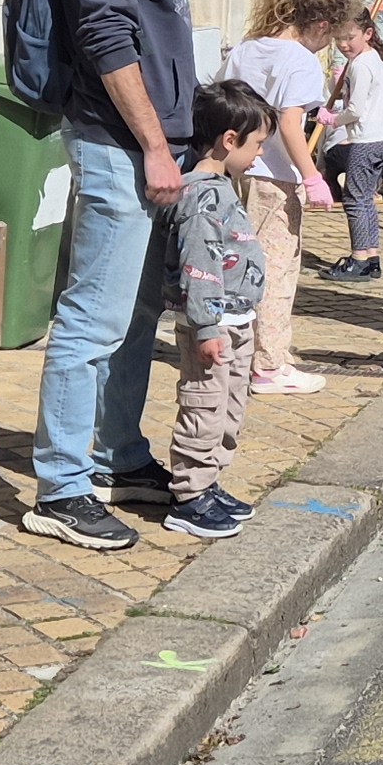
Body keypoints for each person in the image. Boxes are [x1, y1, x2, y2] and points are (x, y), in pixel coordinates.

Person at [24, 0, 214, 550]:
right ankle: (61, 489)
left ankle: (118, 456)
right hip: (118, 142)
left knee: (135, 315)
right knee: (92, 319)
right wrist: (151, 146)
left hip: (153, 142)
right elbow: (106, 34)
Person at [157, 79, 278, 542]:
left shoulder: (223, 188)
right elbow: (201, 264)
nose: (259, 156)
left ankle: (210, 482)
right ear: (229, 141)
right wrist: (206, 328)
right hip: (214, 326)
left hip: (236, 320)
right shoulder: (203, 196)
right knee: (204, 407)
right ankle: (189, 495)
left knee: (229, 407)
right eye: (257, 145)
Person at [219, 0, 349, 394]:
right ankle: (270, 365)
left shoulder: (246, 49)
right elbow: (290, 125)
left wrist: (318, 111)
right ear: (321, 25)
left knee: (237, 265)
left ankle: (245, 353)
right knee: (276, 271)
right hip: (275, 178)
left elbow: (233, 99)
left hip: (236, 172)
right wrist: (312, 177)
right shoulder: (301, 60)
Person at [316, 8, 383, 286]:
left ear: (367, 34)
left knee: (354, 199)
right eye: (339, 38)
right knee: (365, 198)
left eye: (350, 37)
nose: (344, 44)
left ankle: (358, 259)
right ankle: (371, 256)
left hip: (366, 140)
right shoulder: (374, 59)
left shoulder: (360, 65)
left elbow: (355, 110)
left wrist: (332, 118)